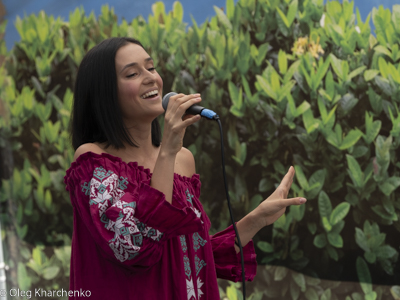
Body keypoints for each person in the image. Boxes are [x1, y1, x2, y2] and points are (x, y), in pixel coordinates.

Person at [64, 37, 307, 300]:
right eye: (133, 73)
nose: (150, 78)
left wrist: (257, 219)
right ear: (104, 92)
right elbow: (134, 246)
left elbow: (186, 256)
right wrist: (167, 149)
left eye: (151, 67)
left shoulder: (183, 159)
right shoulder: (94, 160)